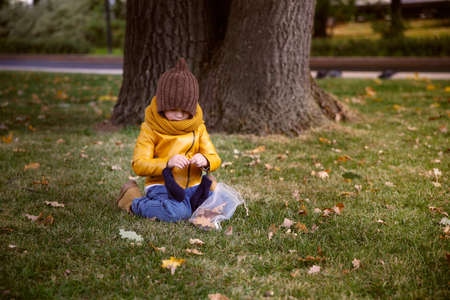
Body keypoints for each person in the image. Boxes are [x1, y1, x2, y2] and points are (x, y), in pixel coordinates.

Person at [116, 58, 221, 222]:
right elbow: (139, 164)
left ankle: (202, 193)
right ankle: (132, 200)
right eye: (173, 109)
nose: (179, 115)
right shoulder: (151, 128)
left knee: (219, 205)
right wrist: (167, 163)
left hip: (192, 185)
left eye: (185, 110)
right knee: (177, 213)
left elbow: (215, 158)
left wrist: (206, 160)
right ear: (162, 106)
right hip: (162, 186)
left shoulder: (198, 127)